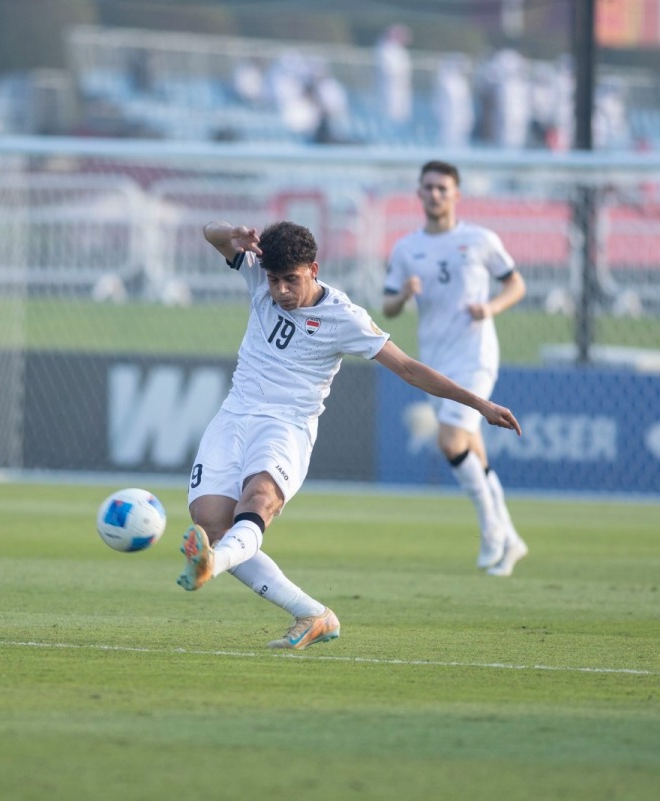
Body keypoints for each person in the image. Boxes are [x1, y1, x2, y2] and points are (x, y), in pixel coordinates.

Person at [177, 220, 521, 650]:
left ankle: (213, 562)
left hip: (286, 427)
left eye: (291, 280)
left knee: (257, 502)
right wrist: (233, 231)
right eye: (273, 280)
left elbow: (409, 369)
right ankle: (312, 614)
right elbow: (210, 235)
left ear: (314, 269)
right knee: (210, 523)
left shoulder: (345, 318)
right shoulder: (256, 275)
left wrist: (480, 405)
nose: (281, 290)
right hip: (233, 416)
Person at [383, 161, 528, 577]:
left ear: (457, 195)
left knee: (450, 441)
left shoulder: (480, 239)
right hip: (437, 362)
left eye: (443, 188)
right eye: (428, 187)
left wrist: (491, 307)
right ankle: (512, 538)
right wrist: (405, 294)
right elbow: (389, 305)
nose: (435, 195)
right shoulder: (407, 248)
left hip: (476, 355)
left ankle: (491, 533)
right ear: (419, 193)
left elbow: (516, 283)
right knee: (472, 449)